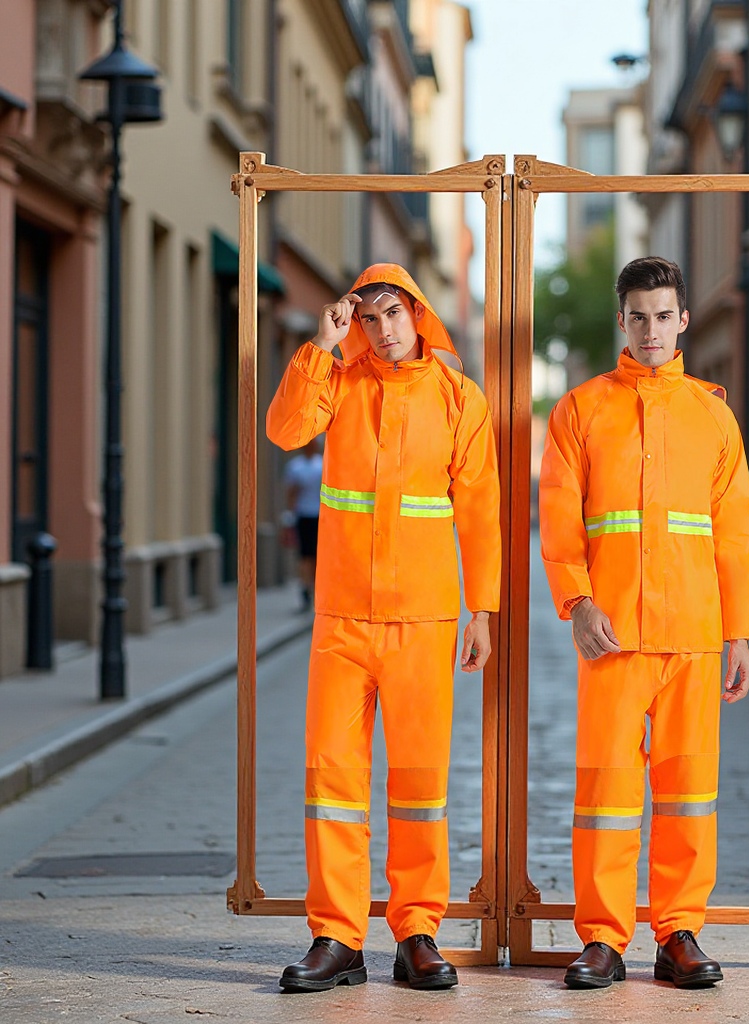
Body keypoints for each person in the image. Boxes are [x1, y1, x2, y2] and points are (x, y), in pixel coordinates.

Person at [266, 264, 501, 992]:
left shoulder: (460, 399)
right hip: (341, 618)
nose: (382, 329)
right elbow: (283, 430)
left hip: (425, 620)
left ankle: (418, 932)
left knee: (420, 784)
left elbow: (482, 512)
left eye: (392, 314)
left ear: (419, 313)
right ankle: (335, 937)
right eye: (368, 318)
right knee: (332, 782)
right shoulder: (338, 381)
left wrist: (483, 611)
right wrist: (321, 345)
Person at [538, 256, 749, 990]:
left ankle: (679, 932)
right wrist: (577, 601)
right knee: (604, 790)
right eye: (639, 316)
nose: (652, 329)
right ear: (621, 321)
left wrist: (739, 633)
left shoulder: (713, 413)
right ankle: (602, 938)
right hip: (613, 636)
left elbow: (733, 532)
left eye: (665, 316)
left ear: (684, 319)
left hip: (694, 632)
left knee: (690, 789)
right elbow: (562, 521)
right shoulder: (580, 409)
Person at [283, 437, 323, 611]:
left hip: (318, 515)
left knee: (314, 556)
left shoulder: (320, 464)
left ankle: (312, 589)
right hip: (305, 515)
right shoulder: (297, 466)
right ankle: (307, 589)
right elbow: (292, 493)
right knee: (306, 556)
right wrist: (290, 515)